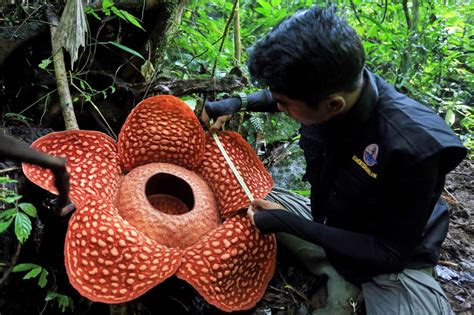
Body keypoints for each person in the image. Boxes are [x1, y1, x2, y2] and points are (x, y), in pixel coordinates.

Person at [201, 5, 467, 315]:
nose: (280, 107)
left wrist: (290, 223)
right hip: (327, 219)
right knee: (233, 189)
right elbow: (282, 96)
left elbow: (389, 252)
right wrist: (236, 102)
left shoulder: (413, 146)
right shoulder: (338, 81)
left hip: (388, 264)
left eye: (286, 105)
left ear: (332, 105)